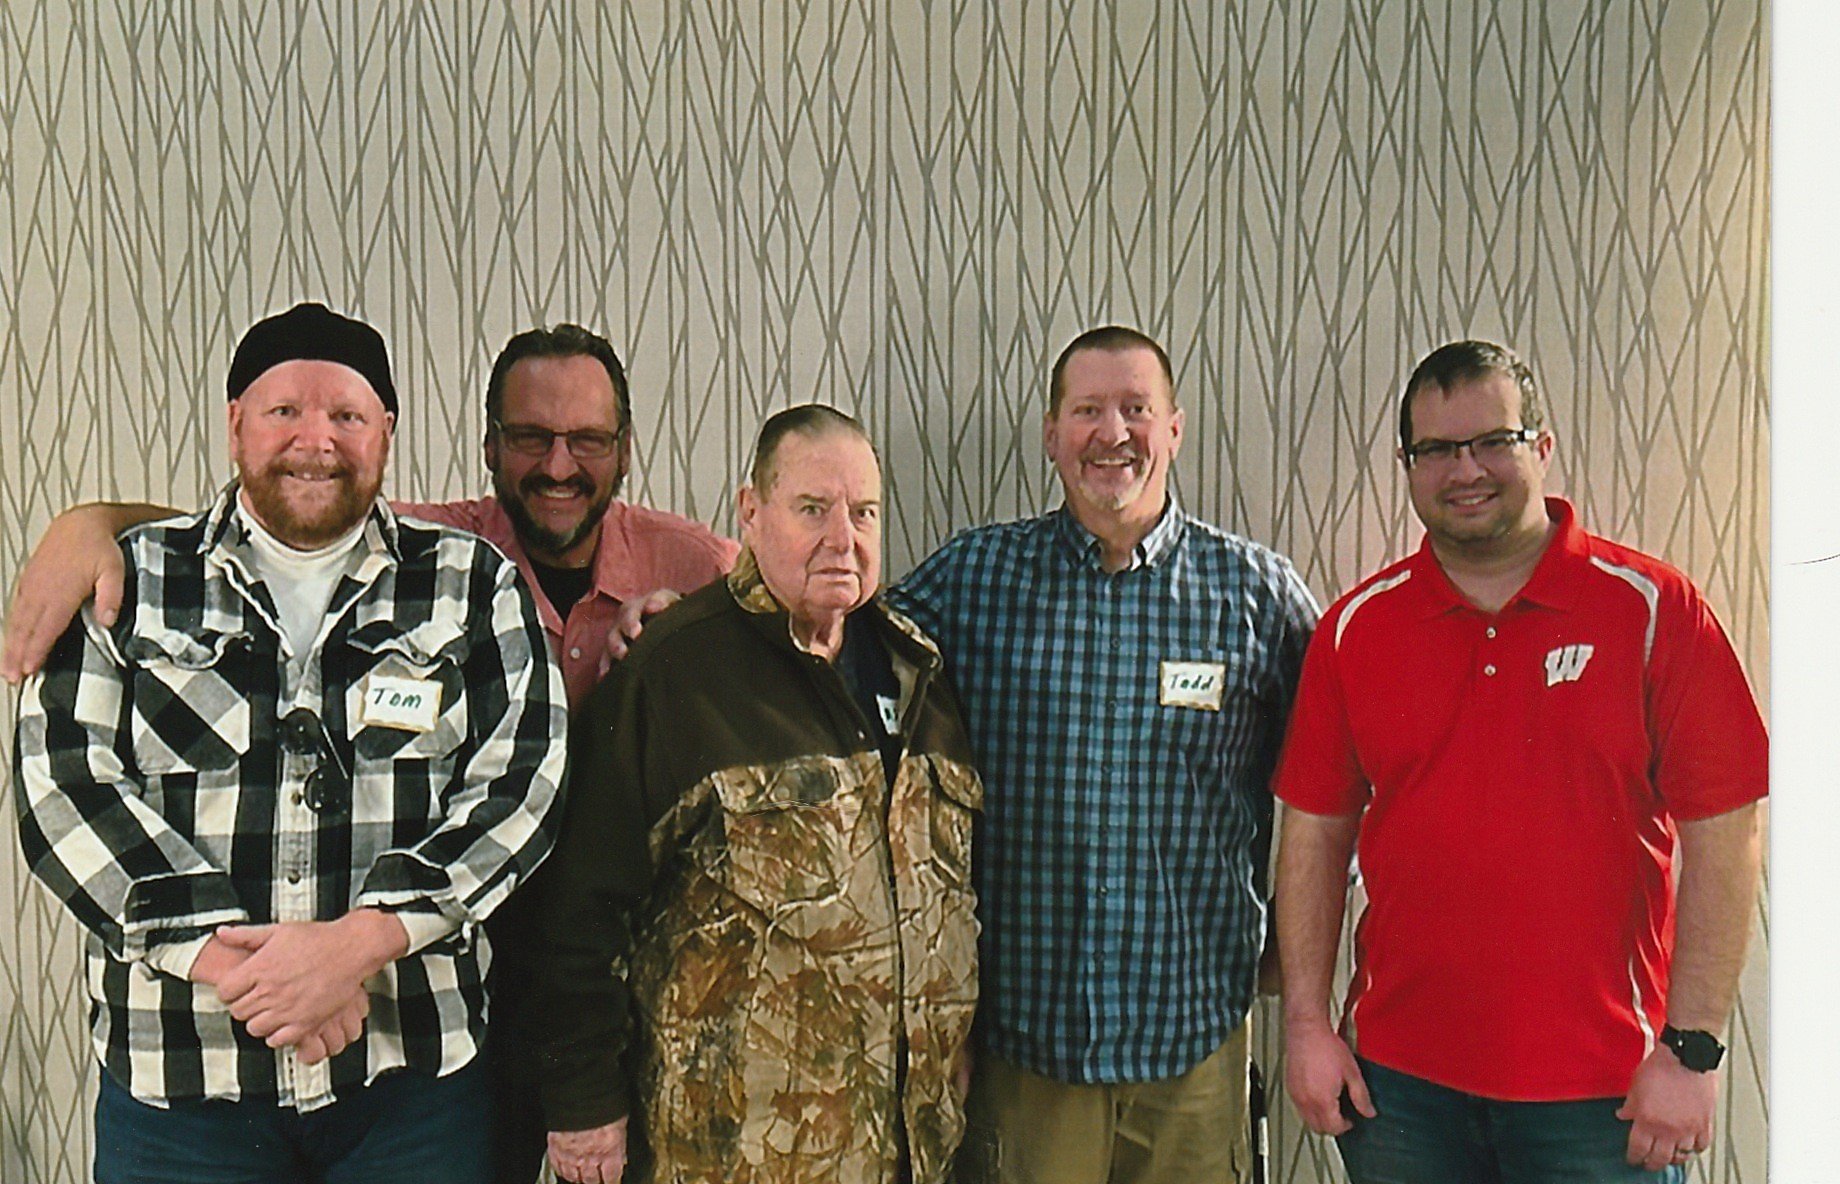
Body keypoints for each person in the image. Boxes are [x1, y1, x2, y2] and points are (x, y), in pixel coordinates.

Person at [0, 322, 736, 1183]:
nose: (316, 439)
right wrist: (236, 965)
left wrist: (356, 946)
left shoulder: (470, 581)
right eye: (284, 411)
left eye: (346, 416)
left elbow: (523, 782)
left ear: (386, 431)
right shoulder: (129, 584)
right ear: (235, 423)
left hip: (411, 1078)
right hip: (182, 1079)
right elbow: (64, 786)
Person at [1273, 340, 1766, 1183]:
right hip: (1400, 1091)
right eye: (1437, 449)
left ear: (1541, 446)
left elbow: (1727, 835)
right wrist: (1308, 1027)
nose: (1465, 470)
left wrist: (1692, 1051)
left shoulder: (1654, 610)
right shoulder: (1357, 629)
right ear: (1408, 465)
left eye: (1492, 441)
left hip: (1605, 1095)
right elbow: (1313, 836)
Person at [886, 326, 1319, 1184]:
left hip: (1194, 1054)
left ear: (1175, 430)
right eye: (1087, 411)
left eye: (1136, 410)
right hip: (1026, 1053)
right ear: (1052, 435)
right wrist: (701, 614)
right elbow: (834, 651)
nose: (1112, 433)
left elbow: (1339, 785)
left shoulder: (1257, 596)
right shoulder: (975, 579)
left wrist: (1296, 947)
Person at [534, 405, 982, 1184]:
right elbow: (580, 910)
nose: (843, 538)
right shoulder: (674, 670)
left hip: (907, 1149)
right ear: (751, 512)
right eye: (813, 509)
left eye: (864, 512)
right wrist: (584, 1107)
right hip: (730, 1153)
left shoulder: (921, 676)